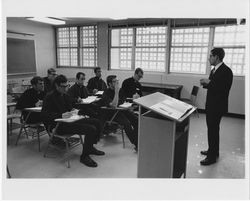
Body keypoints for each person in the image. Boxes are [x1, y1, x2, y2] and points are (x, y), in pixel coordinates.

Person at [41, 74, 104, 168]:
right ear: (56, 86)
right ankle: (84, 156)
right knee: (90, 129)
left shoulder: (64, 95)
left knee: (96, 122)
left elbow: (70, 108)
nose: (66, 88)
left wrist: (76, 111)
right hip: (58, 125)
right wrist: (60, 115)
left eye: (67, 86)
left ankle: (90, 148)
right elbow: (44, 115)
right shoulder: (49, 97)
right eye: (63, 86)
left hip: (69, 121)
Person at [200, 48, 233, 166]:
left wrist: (209, 83)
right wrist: (206, 83)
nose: (209, 58)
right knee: (212, 129)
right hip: (211, 105)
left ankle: (211, 157)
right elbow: (213, 86)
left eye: (211, 56)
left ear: (217, 57)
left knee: (213, 129)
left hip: (218, 106)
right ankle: (213, 150)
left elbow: (224, 89)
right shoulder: (214, 70)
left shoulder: (226, 71)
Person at [100, 75, 138, 150]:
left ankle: (137, 138)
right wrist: (116, 93)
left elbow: (122, 101)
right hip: (113, 113)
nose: (117, 83)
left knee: (137, 120)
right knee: (127, 123)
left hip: (122, 110)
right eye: (115, 82)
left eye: (117, 81)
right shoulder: (106, 93)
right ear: (110, 84)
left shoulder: (120, 90)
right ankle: (137, 144)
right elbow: (114, 105)